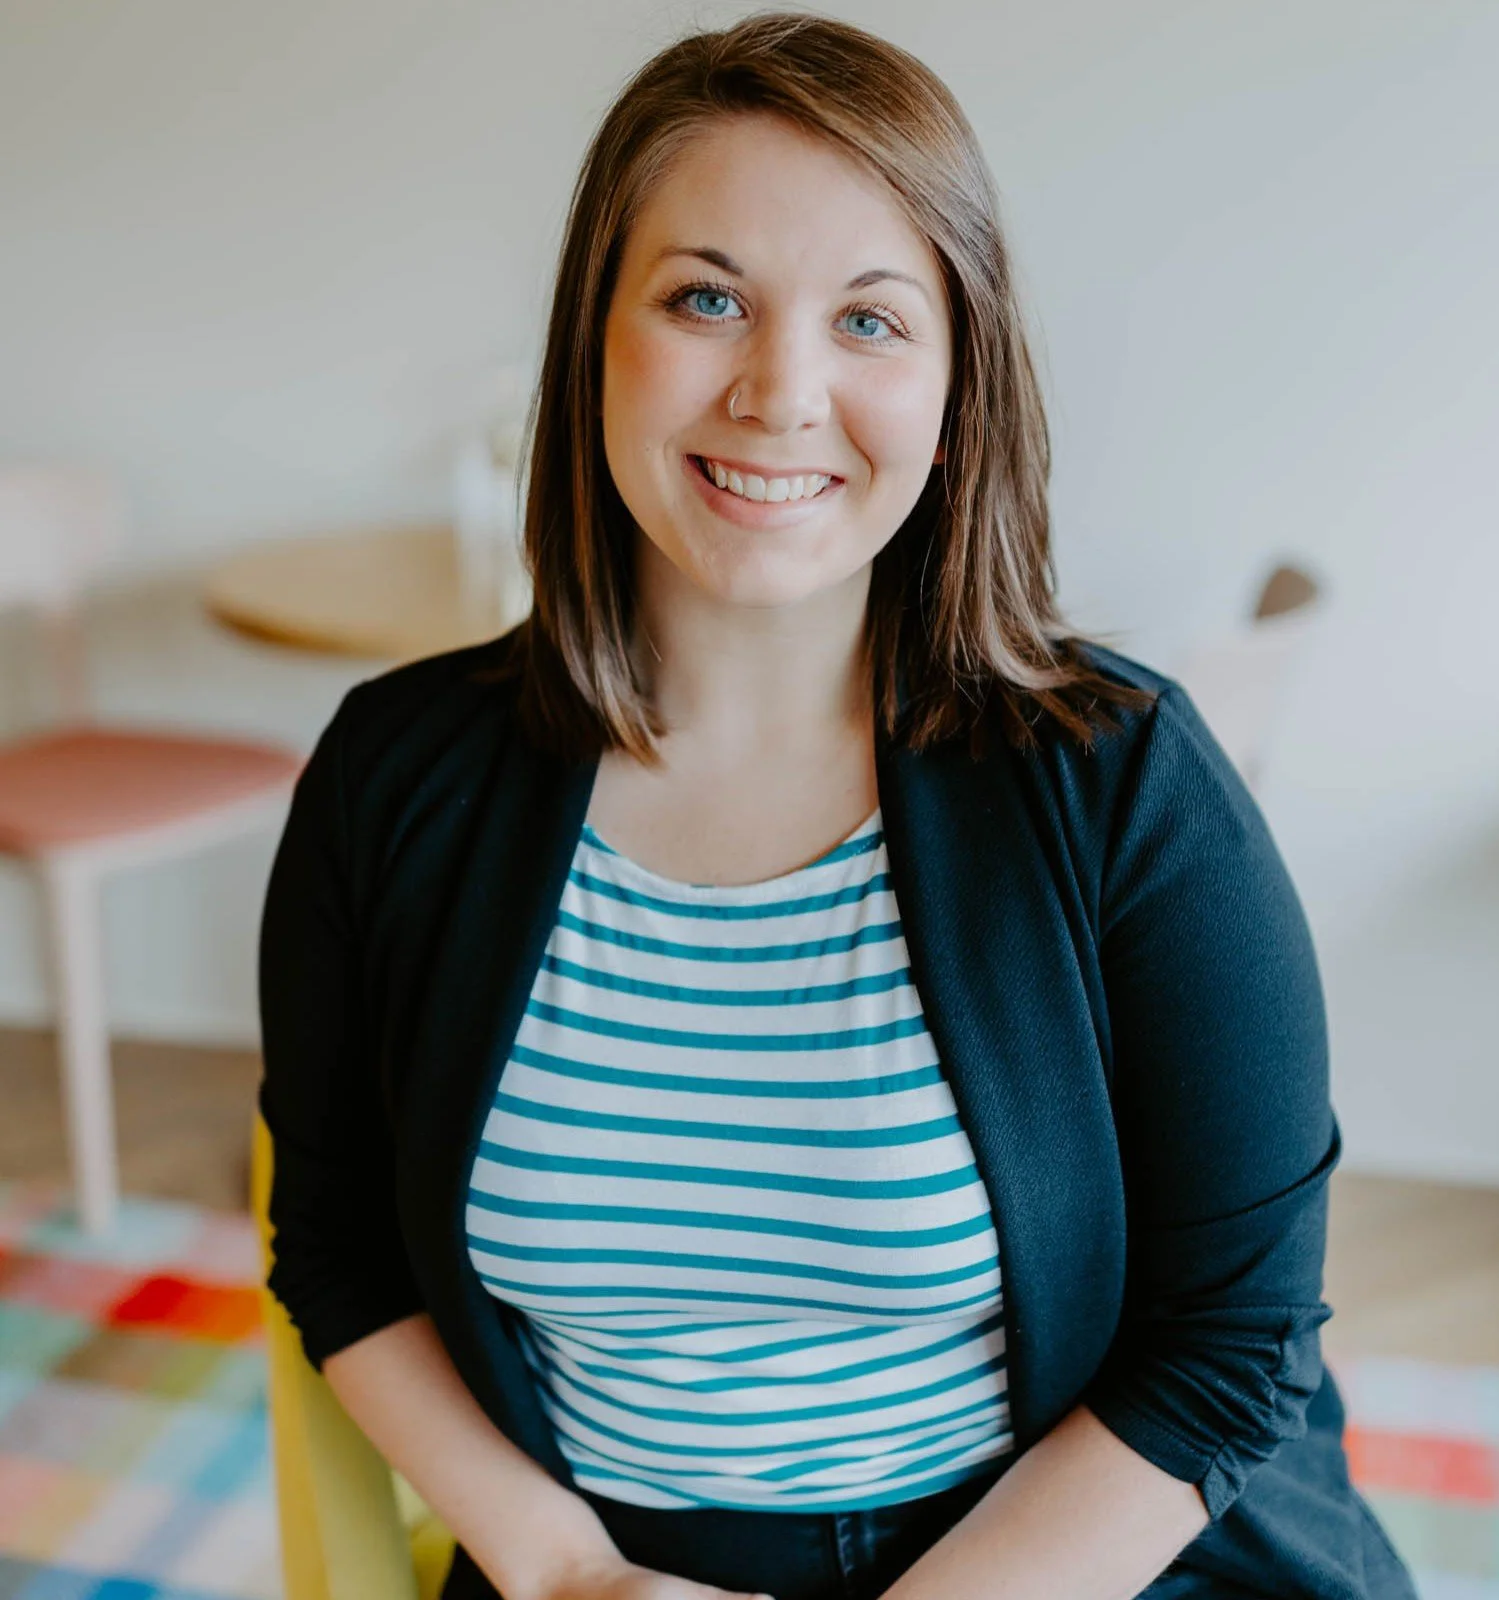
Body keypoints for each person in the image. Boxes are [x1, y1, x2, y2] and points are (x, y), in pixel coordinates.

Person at [257, 13, 1421, 1600]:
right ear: (594, 332)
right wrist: (566, 1572)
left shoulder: (1127, 785)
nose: (782, 391)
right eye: (706, 297)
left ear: (959, 383)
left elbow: (1232, 1346)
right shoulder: (393, 779)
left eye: (872, 321)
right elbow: (337, 1252)